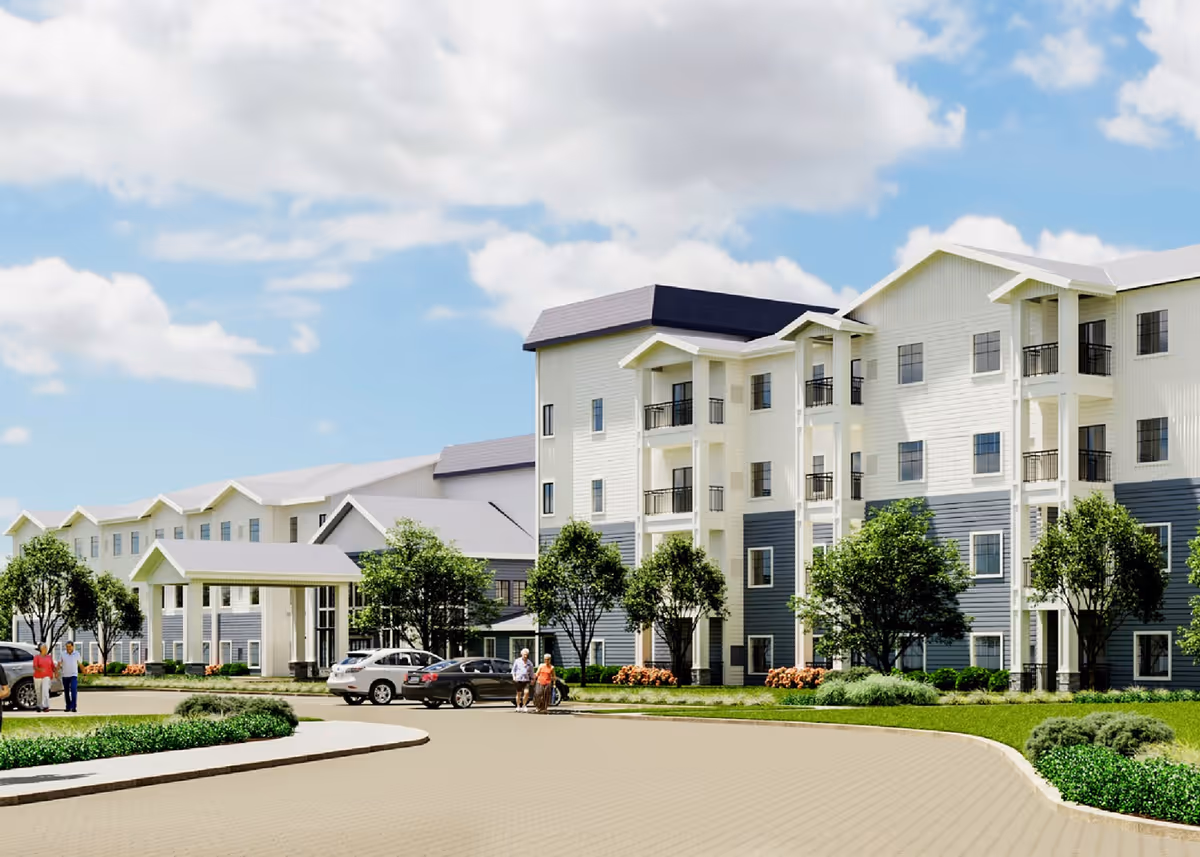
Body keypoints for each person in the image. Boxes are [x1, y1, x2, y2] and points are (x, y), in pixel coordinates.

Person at [58, 641, 83, 713]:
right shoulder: (63, 654)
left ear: (72, 647)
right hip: (65, 675)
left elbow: (80, 664)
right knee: (66, 692)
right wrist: (56, 672)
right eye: (67, 647)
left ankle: (74, 706)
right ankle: (68, 706)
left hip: (73, 675)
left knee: (73, 690)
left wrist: (84, 673)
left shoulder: (77, 654)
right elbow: (59, 664)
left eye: (69, 646)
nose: (68, 648)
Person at [33, 643, 55, 713]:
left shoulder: (49, 657)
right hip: (38, 677)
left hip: (47, 676)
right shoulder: (37, 657)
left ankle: (46, 706)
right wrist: (40, 669)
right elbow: (35, 666)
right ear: (41, 649)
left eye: (46, 647)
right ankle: (39, 706)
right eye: (45, 647)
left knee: (45, 691)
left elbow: (52, 666)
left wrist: (56, 671)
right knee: (38, 692)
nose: (46, 649)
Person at [511, 648, 534, 712]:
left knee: (526, 693)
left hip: (526, 679)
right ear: (521, 654)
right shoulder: (517, 661)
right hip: (518, 679)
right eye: (524, 654)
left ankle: (524, 705)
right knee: (519, 693)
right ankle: (518, 706)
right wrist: (514, 677)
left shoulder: (529, 663)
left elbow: (532, 672)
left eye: (526, 654)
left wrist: (532, 679)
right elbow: (513, 670)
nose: (525, 656)